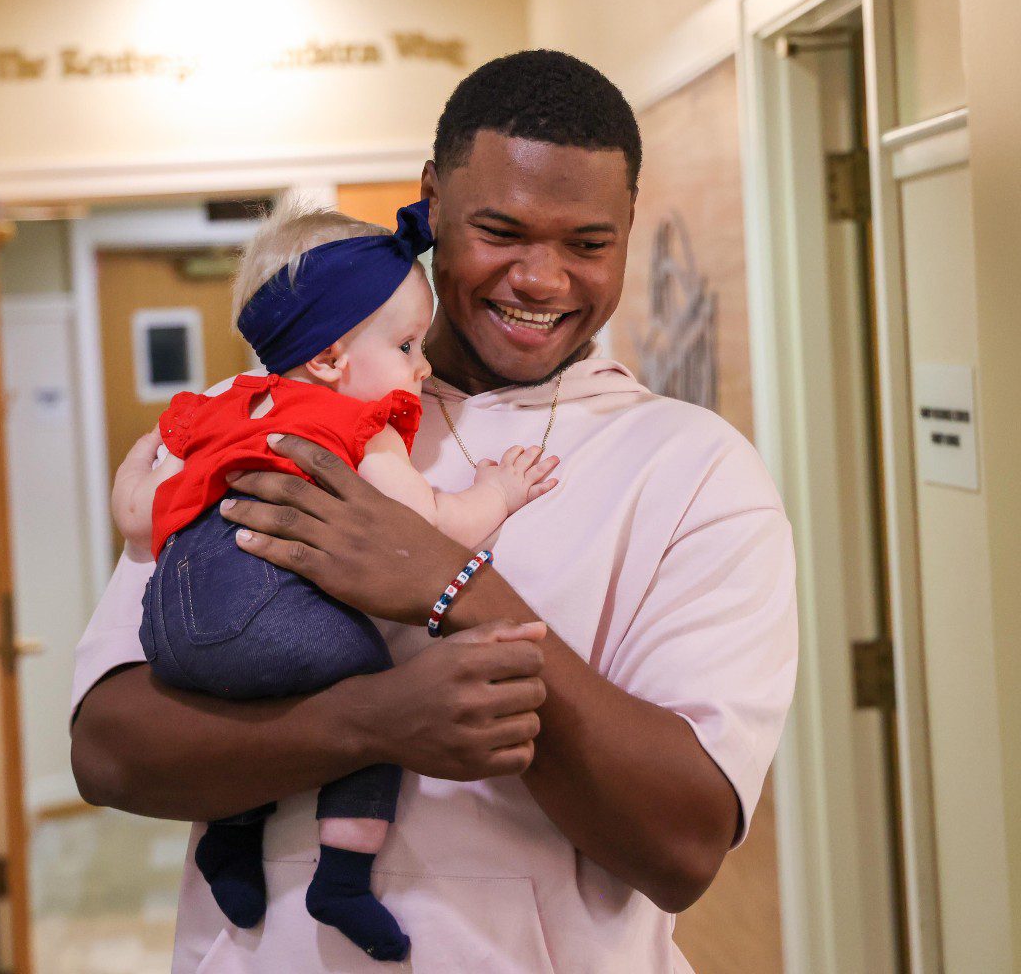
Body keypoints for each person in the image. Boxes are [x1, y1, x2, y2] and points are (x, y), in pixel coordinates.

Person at [71, 49, 798, 972]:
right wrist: (373, 722)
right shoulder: (265, 419)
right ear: (432, 206)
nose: (541, 279)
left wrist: (453, 583)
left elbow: (683, 848)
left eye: (588, 243)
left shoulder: (696, 470)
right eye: (501, 231)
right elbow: (109, 751)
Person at [122, 197, 557, 960]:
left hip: (167, 623)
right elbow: (432, 523)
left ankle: (231, 837)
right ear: (329, 359)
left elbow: (136, 516)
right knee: (377, 697)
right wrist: (502, 491)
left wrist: (136, 464)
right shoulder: (357, 425)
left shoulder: (223, 405)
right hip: (259, 609)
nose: (422, 366)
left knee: (252, 706)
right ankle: (345, 874)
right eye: (406, 344)